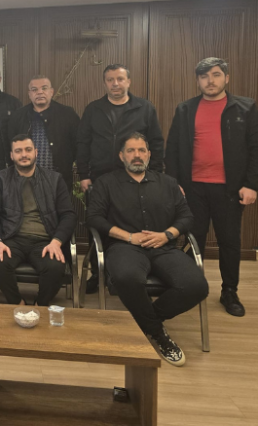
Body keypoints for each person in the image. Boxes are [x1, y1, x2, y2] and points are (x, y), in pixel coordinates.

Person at [87, 133, 209, 367]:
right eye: (131, 151)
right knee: (127, 278)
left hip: (164, 246)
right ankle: (159, 335)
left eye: (141, 150)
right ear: (121, 156)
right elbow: (94, 218)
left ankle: (146, 321)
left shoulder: (168, 183)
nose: (137, 155)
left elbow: (186, 217)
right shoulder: (106, 183)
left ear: (149, 154)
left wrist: (167, 235)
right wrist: (128, 236)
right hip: (124, 247)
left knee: (197, 286)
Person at [166, 57, 258, 317]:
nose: (210, 81)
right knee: (192, 239)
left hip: (230, 189)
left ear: (226, 78)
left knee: (229, 241)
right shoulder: (185, 109)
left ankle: (229, 291)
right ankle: (189, 288)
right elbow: (173, 149)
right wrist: (173, 184)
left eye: (216, 75)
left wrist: (251, 184)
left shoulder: (245, 108)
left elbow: (255, 148)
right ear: (198, 80)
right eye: (204, 76)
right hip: (192, 188)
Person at [77, 64, 164, 293]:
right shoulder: (94, 109)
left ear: (128, 81)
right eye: (110, 79)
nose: (115, 83)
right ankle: (97, 274)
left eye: (120, 79)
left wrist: (154, 175)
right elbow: (83, 143)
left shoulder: (144, 108)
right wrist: (84, 175)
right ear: (105, 83)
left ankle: (129, 272)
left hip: (135, 177)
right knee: (98, 223)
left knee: (130, 222)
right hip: (99, 178)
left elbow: (156, 142)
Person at [0, 134, 76, 306]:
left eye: (28, 150)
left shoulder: (55, 179)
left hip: (45, 240)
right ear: (12, 155)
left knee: (55, 267)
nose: (24, 155)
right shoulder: (0, 178)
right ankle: (17, 303)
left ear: (36, 152)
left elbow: (68, 215)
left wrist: (56, 242)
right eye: (18, 151)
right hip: (11, 239)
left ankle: (41, 305)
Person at [8, 75, 80, 191]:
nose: (39, 92)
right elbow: (10, 147)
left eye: (44, 88)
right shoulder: (18, 116)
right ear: (29, 94)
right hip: (25, 179)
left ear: (51, 92)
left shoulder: (67, 114)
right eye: (34, 89)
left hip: (59, 179)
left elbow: (79, 145)